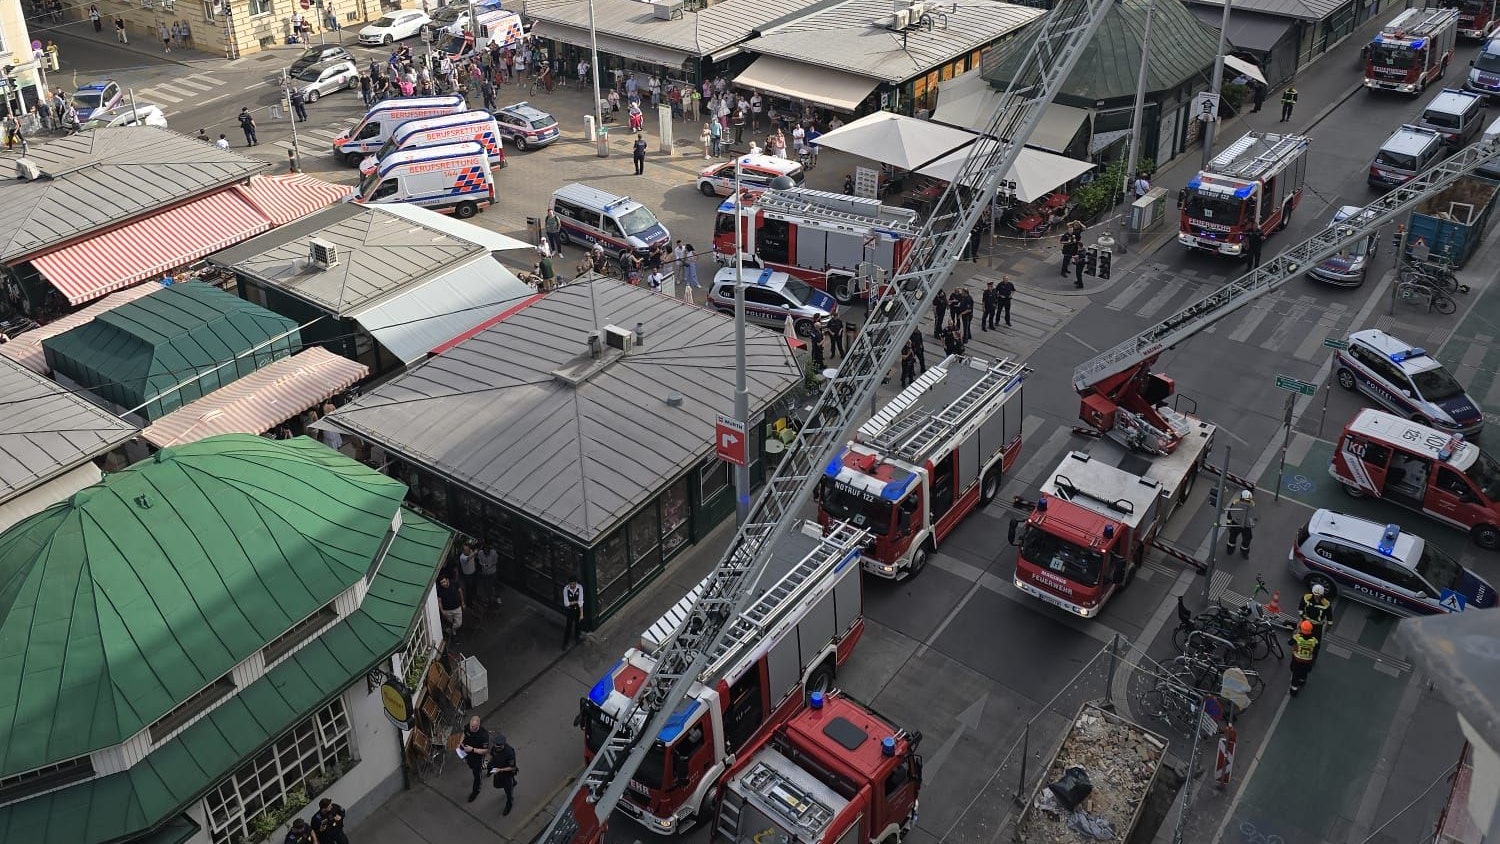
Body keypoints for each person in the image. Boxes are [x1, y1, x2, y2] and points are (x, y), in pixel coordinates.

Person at [460, 716, 492, 802]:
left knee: (477, 774)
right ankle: (490, 766)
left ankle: (476, 791)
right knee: (471, 766)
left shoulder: (483, 735)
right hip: (468, 753)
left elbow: (485, 750)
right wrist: (461, 743)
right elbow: (464, 733)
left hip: (478, 756)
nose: (471, 728)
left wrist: (473, 749)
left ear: (478, 725)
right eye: (470, 726)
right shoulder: (468, 727)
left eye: (473, 727)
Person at [488, 733, 519, 816]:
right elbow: (491, 755)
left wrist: (501, 770)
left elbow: (512, 767)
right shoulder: (494, 748)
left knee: (508, 791)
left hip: (506, 774)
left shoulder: (509, 752)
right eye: (494, 745)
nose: (495, 748)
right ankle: (513, 782)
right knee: (496, 785)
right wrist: (488, 763)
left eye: (497, 747)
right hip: (497, 770)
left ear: (502, 746)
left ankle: (509, 804)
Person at [1298, 584, 1332, 656]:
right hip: (1306, 622)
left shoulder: (1326, 604)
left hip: (1317, 625)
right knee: (1301, 637)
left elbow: (1329, 615)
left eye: (1318, 595)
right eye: (1315, 594)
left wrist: (1329, 625)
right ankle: (1299, 650)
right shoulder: (1306, 598)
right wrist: (1301, 616)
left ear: (1322, 594)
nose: (1316, 596)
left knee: (1316, 642)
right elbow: (1301, 607)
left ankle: (1314, 655)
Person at [1224, 488, 1257, 558]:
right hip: (1240, 523)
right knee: (1234, 537)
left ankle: (1242, 551)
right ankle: (1232, 550)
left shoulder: (1238, 502)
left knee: (1246, 538)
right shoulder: (1250, 503)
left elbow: (1252, 514)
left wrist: (1229, 523)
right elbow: (1230, 513)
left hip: (1242, 524)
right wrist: (1229, 522)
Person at [1289, 619, 1318, 696]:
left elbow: (1290, 643)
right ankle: (1302, 681)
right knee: (1304, 672)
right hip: (1308, 660)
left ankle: (1294, 690)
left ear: (1301, 629)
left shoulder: (1297, 637)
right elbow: (1315, 649)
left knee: (1295, 674)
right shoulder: (1314, 640)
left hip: (1297, 659)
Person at [562, 576, 584, 649]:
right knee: (569, 626)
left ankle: (577, 637)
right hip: (570, 610)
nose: (572, 586)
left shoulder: (579, 587)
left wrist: (581, 614)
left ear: (576, 583)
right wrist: (576, 601)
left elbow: (581, 601)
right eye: (571, 584)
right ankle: (565, 643)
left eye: (574, 584)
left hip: (577, 609)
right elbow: (566, 603)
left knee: (578, 624)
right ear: (569, 584)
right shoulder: (566, 589)